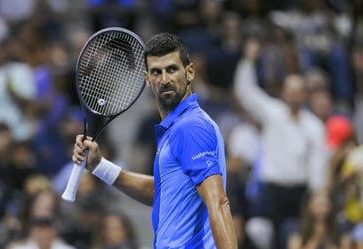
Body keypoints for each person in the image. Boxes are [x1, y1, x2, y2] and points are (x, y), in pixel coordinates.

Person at [72, 33, 237, 249]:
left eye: (172, 69)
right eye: (156, 72)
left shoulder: (191, 127)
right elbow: (163, 194)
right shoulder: (177, 128)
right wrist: (99, 165)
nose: (165, 79)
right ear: (147, 79)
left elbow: (219, 203)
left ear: (190, 72)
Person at [234, 38, 329, 249]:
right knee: (260, 234)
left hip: (300, 192)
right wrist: (249, 61)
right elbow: (246, 91)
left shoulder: (314, 127)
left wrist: (317, 193)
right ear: (284, 92)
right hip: (271, 191)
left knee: (295, 240)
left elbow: (318, 164)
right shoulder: (273, 113)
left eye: (299, 91)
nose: (294, 94)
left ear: (304, 95)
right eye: (291, 90)